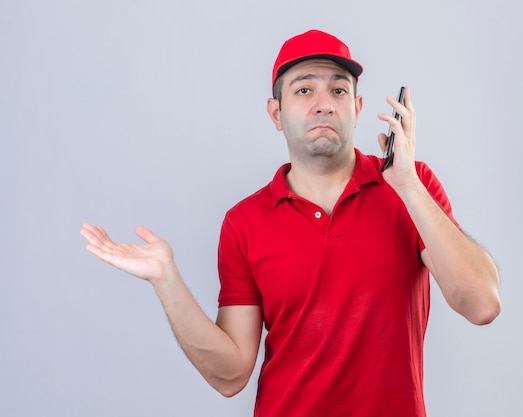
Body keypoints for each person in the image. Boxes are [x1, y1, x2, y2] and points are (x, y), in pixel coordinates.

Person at [80, 29, 501, 417]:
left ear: (356, 108)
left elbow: (480, 304)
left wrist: (407, 184)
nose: (323, 102)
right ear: (276, 113)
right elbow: (230, 375)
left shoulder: (414, 188)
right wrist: (165, 279)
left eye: (339, 89)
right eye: (304, 90)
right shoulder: (244, 223)